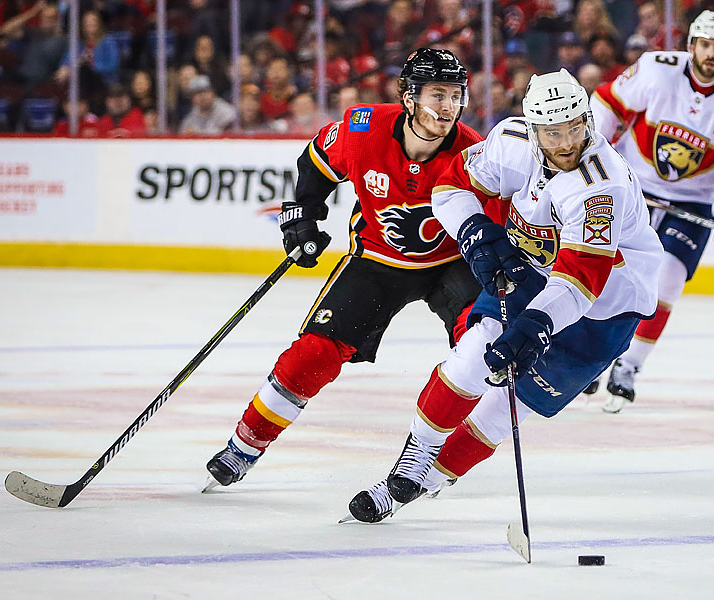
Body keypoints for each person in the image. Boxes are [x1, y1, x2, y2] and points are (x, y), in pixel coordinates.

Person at [345, 69, 662, 523]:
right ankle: (410, 465)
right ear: (533, 129)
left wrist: (535, 326)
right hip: (533, 271)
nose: (567, 141)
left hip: (608, 305)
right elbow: (451, 187)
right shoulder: (509, 142)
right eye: (553, 131)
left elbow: (580, 282)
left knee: (503, 409)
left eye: (575, 126)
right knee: (473, 354)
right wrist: (473, 230)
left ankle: (426, 481)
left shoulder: (599, 187)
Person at [203, 48, 485, 491]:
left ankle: (427, 461)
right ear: (408, 97)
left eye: (455, 96)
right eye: (436, 95)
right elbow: (314, 162)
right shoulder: (363, 129)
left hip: (453, 266)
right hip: (377, 260)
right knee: (314, 353)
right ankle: (246, 444)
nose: (447, 107)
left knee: (480, 349)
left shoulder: (476, 153)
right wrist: (301, 216)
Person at [587, 10, 714, 413]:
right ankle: (593, 357)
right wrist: (595, 154)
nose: (711, 54)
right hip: (633, 185)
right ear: (692, 45)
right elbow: (607, 104)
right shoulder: (656, 68)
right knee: (609, 270)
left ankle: (628, 367)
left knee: (667, 282)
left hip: (692, 201)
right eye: (705, 44)